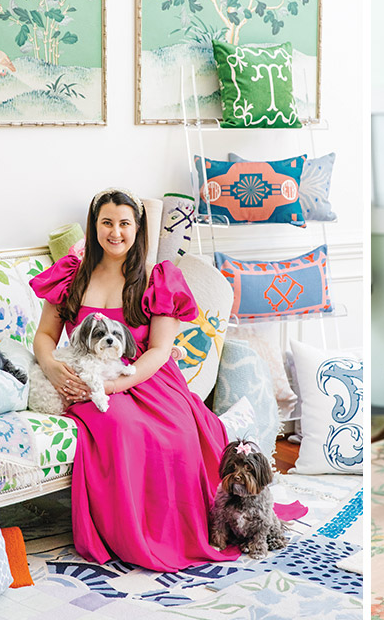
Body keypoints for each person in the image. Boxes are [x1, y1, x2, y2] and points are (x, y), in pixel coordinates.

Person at [30, 187, 304, 572]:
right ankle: (125, 533)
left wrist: (116, 386)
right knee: (117, 425)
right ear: (94, 228)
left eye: (124, 223)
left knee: (174, 434)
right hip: (87, 378)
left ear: (137, 229)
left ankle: (177, 529)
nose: (115, 232)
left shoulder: (156, 279)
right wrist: (51, 366)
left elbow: (159, 351)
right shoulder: (71, 277)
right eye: (106, 222)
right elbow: (44, 336)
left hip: (147, 378)